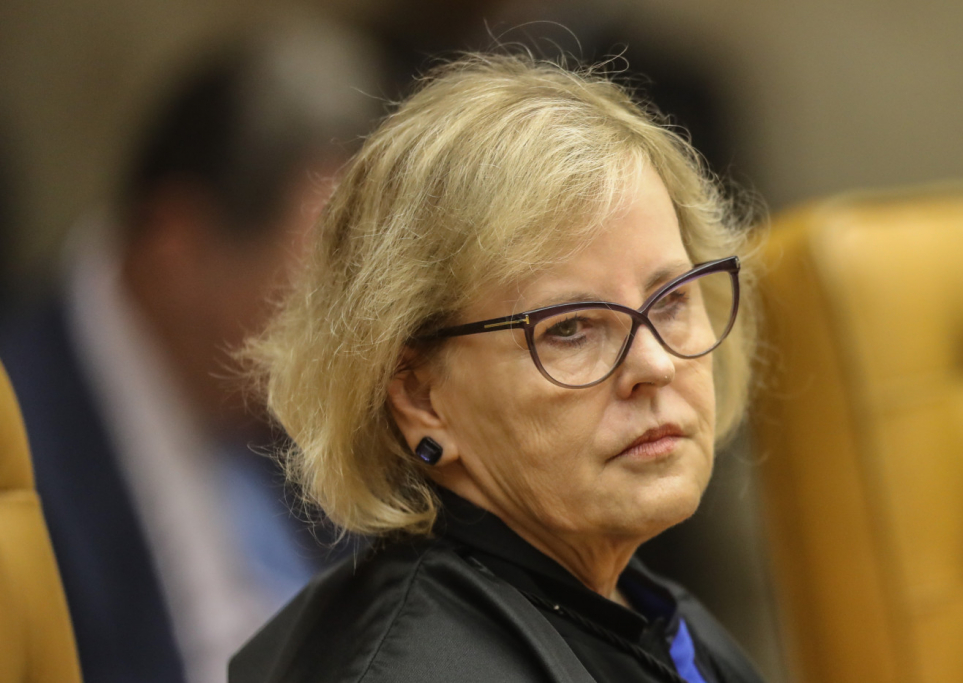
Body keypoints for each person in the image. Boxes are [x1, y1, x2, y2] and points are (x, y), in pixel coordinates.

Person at [232, 52, 762, 683]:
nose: (655, 364)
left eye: (670, 300)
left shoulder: (637, 609)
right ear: (422, 398)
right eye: (570, 329)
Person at [0, 21, 383, 683]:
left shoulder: (315, 415)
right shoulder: (21, 428)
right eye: (311, 295)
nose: (343, 338)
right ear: (177, 248)